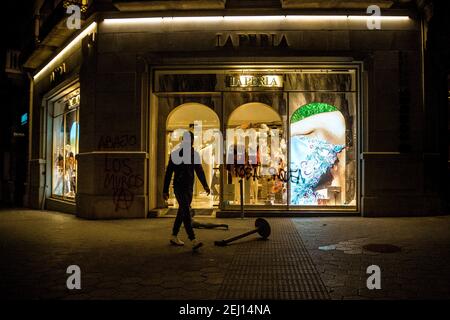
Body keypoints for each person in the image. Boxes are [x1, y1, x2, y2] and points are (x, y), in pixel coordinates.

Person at [163, 131, 210, 250]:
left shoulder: (194, 155)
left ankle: (174, 235)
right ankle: (193, 239)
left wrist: (205, 185)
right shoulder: (176, 155)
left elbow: (199, 171)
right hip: (179, 187)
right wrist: (165, 190)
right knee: (186, 211)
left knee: (182, 211)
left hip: (189, 187)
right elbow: (168, 173)